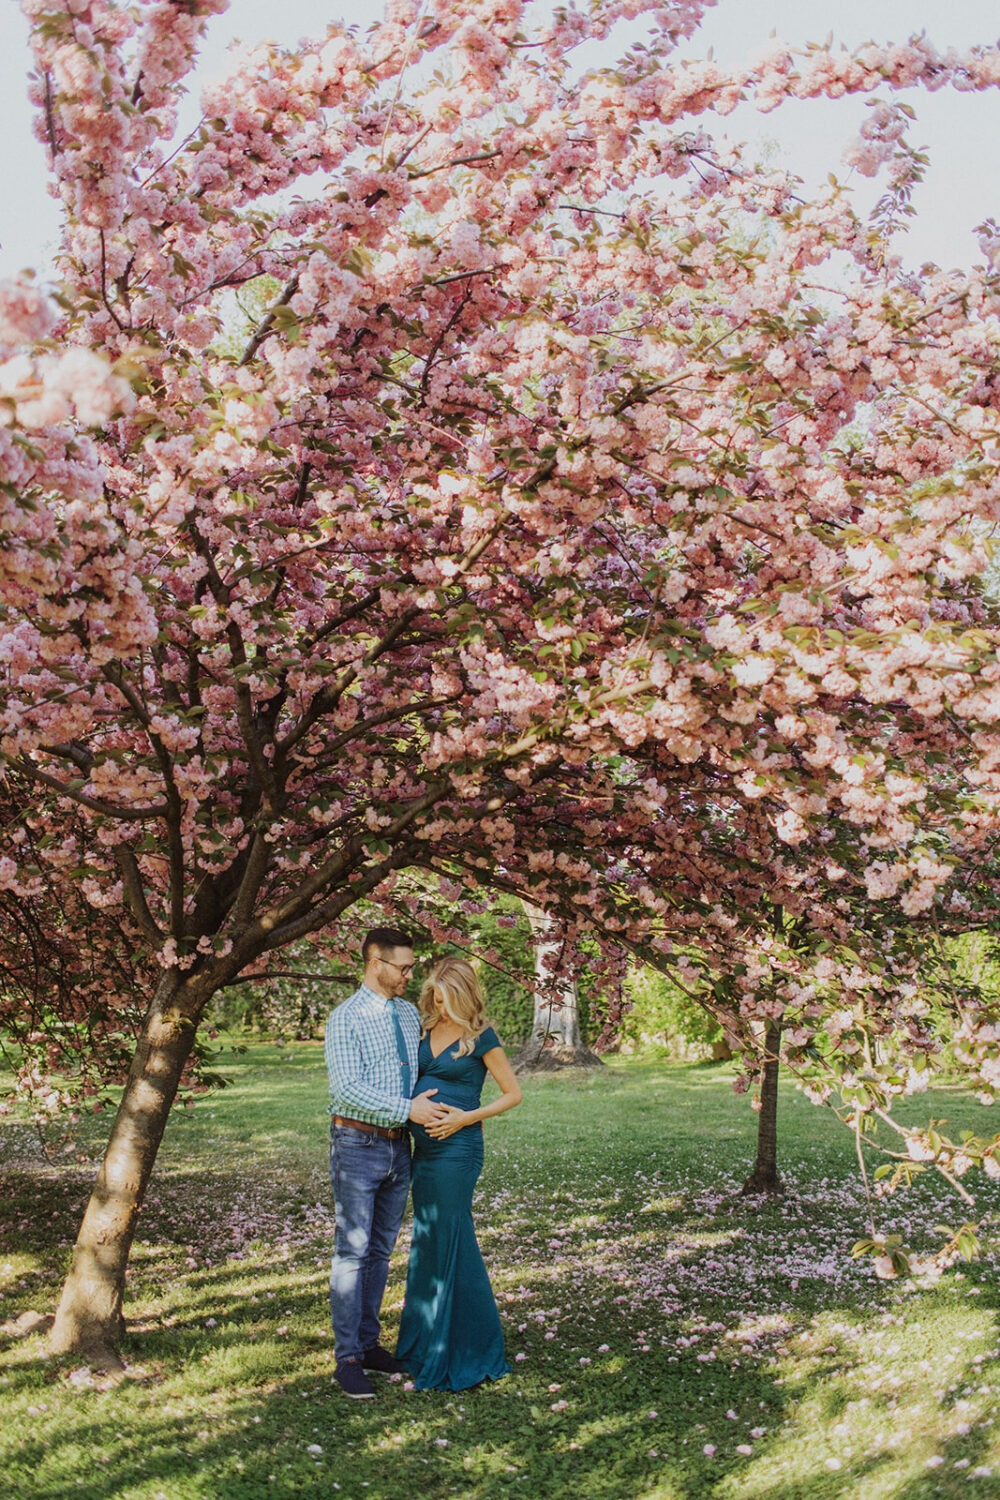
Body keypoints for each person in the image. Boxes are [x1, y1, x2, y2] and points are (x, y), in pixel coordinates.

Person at [325, 927, 447, 1400]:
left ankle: (370, 1345)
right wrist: (407, 1109)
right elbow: (346, 1090)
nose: (409, 975)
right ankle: (347, 1359)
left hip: (401, 1148)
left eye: (412, 967)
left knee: (379, 1250)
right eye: (403, 967)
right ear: (374, 962)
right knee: (352, 1252)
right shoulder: (346, 1018)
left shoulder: (405, 1013)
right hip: (357, 1144)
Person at [396, 955, 522, 1390]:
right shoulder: (426, 1029)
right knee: (428, 1241)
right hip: (424, 1153)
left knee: (450, 1239)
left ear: (464, 995)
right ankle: (422, 1344)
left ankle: (467, 1350)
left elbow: (513, 1095)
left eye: (448, 998)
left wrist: (465, 1118)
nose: (440, 1004)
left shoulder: (481, 1036)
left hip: (458, 1151)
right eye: (435, 996)